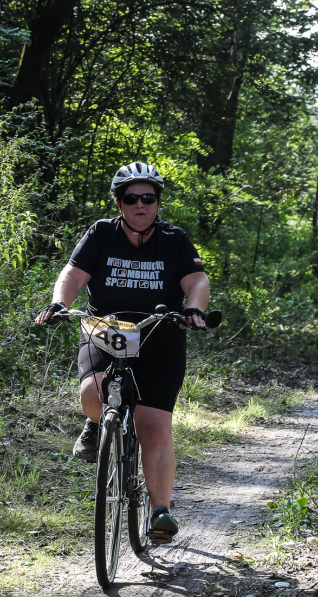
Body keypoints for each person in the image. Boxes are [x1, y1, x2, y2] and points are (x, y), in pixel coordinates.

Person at [35, 162, 210, 545]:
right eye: (132, 198)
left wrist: (194, 309)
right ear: (119, 202)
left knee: (154, 427)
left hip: (158, 338)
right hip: (105, 332)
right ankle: (99, 423)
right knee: (90, 393)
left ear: (158, 202)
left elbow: (196, 279)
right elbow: (73, 274)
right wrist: (59, 304)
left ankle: (159, 510)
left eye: (148, 198)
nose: (140, 205)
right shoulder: (101, 233)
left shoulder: (174, 238)